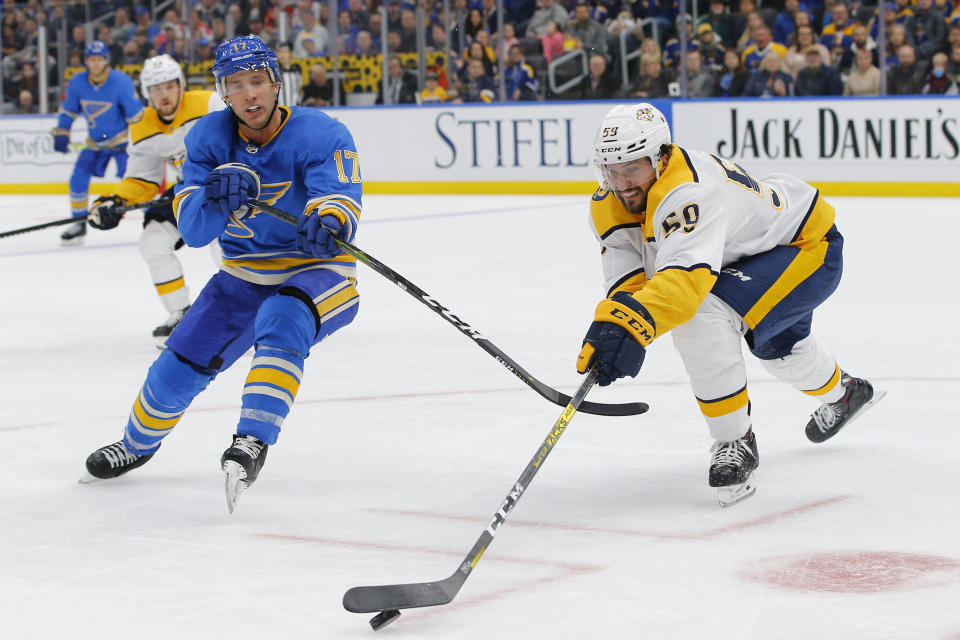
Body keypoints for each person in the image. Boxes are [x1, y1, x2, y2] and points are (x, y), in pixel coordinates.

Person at [81, 35, 363, 515]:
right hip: (240, 277)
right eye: (237, 84)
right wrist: (213, 196)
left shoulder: (322, 133)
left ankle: (251, 442)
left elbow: (339, 197)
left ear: (276, 83)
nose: (250, 94)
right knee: (174, 371)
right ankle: (137, 443)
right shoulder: (207, 138)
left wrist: (330, 219)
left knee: (283, 316)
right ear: (223, 92)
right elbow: (192, 232)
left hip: (320, 273)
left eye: (258, 81)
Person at [577, 104, 884, 507]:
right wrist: (616, 326)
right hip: (745, 254)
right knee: (780, 351)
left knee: (701, 314)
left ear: (659, 156)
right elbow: (631, 281)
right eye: (610, 171)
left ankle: (734, 439)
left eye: (630, 169)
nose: (621, 183)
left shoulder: (688, 192)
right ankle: (846, 394)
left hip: (804, 245)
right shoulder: (609, 203)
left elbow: (686, 284)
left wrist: (631, 327)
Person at [84, 55, 226, 345]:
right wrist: (114, 201)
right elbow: (142, 179)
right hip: (189, 190)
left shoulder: (209, 103)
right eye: (156, 89)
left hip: (227, 186)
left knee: (225, 247)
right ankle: (181, 313)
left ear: (180, 85)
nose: (164, 94)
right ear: (146, 94)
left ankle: (243, 315)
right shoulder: (141, 125)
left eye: (169, 86)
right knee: (153, 240)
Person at [50, 41, 144, 246]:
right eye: (92, 59)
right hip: (95, 143)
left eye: (99, 59)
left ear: (105, 60)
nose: (95, 63)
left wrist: (140, 141)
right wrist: (63, 130)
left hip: (121, 144)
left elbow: (136, 115)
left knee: (140, 181)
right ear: (86, 61)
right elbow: (69, 110)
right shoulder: (77, 82)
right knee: (77, 179)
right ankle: (79, 223)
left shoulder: (120, 81)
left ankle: (154, 220)